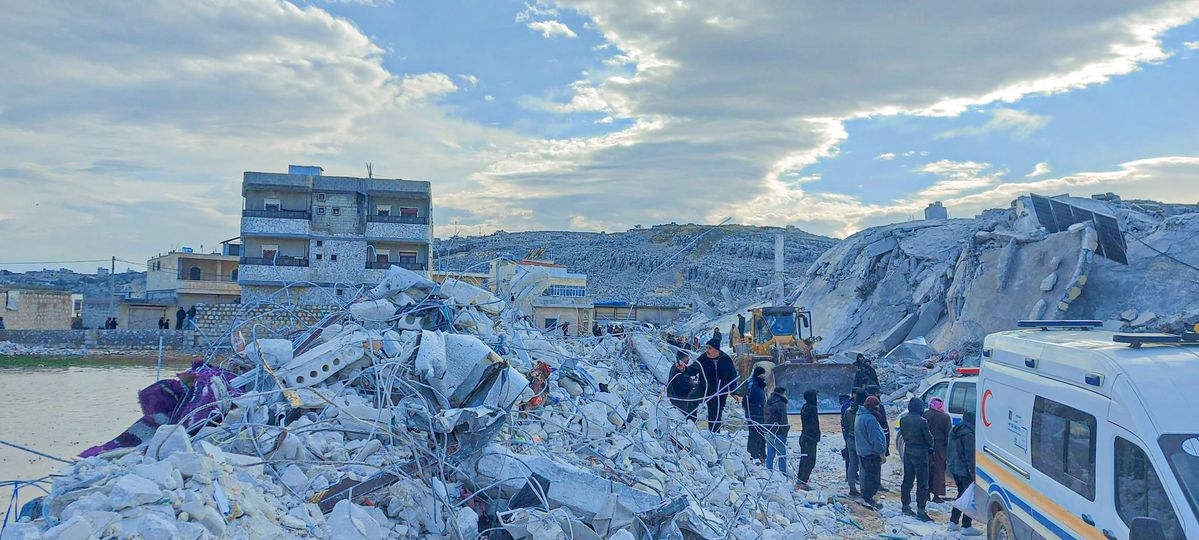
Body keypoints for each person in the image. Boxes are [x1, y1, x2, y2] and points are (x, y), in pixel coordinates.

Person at [686, 337, 738, 432]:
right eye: (707, 348)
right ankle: (690, 425)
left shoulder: (726, 360)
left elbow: (732, 376)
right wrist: (684, 369)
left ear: (716, 350)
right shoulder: (703, 358)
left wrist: (734, 392)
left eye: (709, 348)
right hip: (704, 387)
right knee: (692, 397)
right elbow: (692, 369)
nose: (707, 350)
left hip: (720, 391)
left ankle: (714, 435)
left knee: (715, 415)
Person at [899, 397, 935, 522]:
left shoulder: (903, 419)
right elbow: (928, 439)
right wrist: (931, 446)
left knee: (907, 479)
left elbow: (903, 434)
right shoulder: (922, 421)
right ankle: (921, 510)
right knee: (922, 483)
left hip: (908, 451)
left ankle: (905, 505)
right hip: (920, 453)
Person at [947, 411, 979, 535]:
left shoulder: (955, 430)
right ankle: (966, 525)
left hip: (955, 468)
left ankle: (953, 522)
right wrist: (974, 474)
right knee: (968, 497)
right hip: (965, 471)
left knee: (961, 495)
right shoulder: (969, 434)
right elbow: (970, 456)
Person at [855, 395, 887, 509]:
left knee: (866, 476)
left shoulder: (860, 416)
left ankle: (866, 497)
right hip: (871, 453)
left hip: (863, 451)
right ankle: (868, 499)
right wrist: (881, 453)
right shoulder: (870, 419)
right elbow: (875, 438)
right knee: (872, 478)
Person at [925, 396, 952, 503]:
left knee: (927, 470)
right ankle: (936, 495)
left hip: (927, 447)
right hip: (940, 447)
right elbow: (948, 435)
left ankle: (926, 493)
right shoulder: (945, 417)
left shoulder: (925, 414)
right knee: (939, 471)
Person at [795, 389, 821, 488]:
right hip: (810, 438)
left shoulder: (804, 407)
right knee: (810, 461)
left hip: (804, 436)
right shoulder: (813, 408)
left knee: (804, 460)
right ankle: (803, 481)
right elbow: (815, 425)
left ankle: (801, 480)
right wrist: (817, 436)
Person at [744, 366, 768, 462]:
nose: (764, 375)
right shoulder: (753, 385)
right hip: (755, 414)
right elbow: (747, 401)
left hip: (759, 413)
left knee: (761, 434)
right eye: (763, 373)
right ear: (759, 374)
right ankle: (753, 455)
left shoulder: (759, 384)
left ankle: (761, 454)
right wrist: (750, 414)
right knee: (755, 434)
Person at [841, 390, 861, 496]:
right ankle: (864, 489)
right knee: (862, 465)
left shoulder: (848, 410)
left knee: (852, 464)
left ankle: (852, 487)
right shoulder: (863, 412)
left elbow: (844, 425)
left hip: (850, 439)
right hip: (860, 441)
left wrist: (847, 437)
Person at [764, 385, 789, 473]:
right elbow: (783, 419)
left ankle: (768, 471)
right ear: (782, 393)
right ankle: (783, 473)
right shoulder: (781, 404)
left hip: (768, 430)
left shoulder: (768, 402)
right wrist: (785, 432)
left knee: (770, 453)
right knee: (781, 455)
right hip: (779, 432)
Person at [667, 356, 697, 420]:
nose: (688, 359)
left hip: (672, 395)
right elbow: (684, 385)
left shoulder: (675, 366)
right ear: (683, 358)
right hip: (679, 398)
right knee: (692, 415)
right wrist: (694, 384)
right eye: (687, 357)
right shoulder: (679, 370)